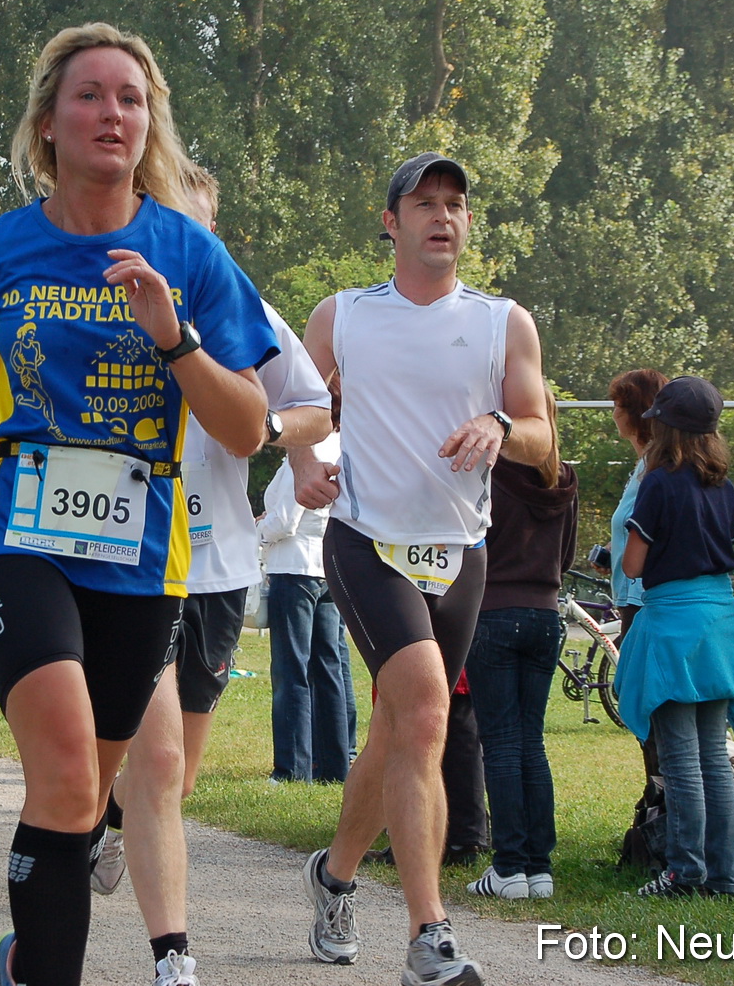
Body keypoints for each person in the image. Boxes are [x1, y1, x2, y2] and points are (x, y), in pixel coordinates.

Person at [0, 23, 277, 986]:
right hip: (12, 536)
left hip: (142, 555)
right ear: (47, 121)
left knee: (87, 792)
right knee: (69, 770)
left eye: (130, 97)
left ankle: (29, 955)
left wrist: (175, 337)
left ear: (148, 123)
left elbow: (247, 427)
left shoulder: (187, 253)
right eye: (90, 94)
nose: (111, 112)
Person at [289, 151, 551, 985]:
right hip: (366, 540)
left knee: (399, 728)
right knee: (429, 715)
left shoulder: (503, 320)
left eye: (456, 204)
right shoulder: (344, 315)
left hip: (458, 554)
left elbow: (544, 436)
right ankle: (428, 933)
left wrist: (501, 425)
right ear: (391, 222)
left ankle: (333, 876)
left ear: (468, 223)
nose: (443, 215)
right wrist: (301, 462)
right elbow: (296, 405)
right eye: (424, 202)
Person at [90, 164, 331, 986]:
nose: (178, 248)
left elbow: (316, 405)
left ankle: (110, 822)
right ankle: (169, 949)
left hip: (220, 560)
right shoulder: (106, 307)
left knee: (179, 770)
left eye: (195, 231)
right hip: (134, 557)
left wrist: (279, 441)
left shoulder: (244, 308)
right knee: (153, 758)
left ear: (213, 237)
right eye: (165, 228)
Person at [614, 376, 734, 898]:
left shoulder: (659, 483)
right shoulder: (724, 485)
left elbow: (634, 562)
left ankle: (684, 871)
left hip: (673, 621)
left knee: (680, 759)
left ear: (662, 426)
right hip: (720, 621)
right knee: (715, 755)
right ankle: (723, 874)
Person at [463, 399, 577, 900]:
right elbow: (568, 553)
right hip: (545, 611)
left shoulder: (491, 472)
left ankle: (509, 864)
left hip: (494, 608)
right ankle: (538, 864)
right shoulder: (564, 478)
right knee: (532, 741)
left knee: (501, 742)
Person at [257, 417, 354, 784]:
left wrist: (255, 532)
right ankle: (334, 765)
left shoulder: (306, 455)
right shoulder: (344, 447)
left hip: (294, 567)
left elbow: (284, 519)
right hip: (327, 565)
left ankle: (292, 767)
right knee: (328, 668)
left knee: (291, 669)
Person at [606, 368, 669, 779]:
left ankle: (663, 805)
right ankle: (657, 801)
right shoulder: (642, 466)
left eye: (618, 406)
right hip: (631, 594)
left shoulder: (655, 470)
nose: (613, 414)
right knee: (636, 699)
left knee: (644, 702)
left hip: (642, 601)